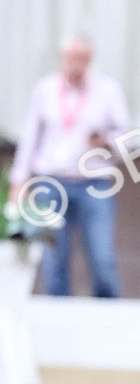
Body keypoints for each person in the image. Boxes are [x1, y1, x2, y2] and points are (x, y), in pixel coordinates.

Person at [9, 34, 130, 297]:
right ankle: (57, 327)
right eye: (72, 57)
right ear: (62, 58)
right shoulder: (45, 89)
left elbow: (127, 138)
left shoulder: (107, 90)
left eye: (83, 58)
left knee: (102, 258)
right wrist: (19, 181)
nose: (77, 63)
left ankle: (109, 320)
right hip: (52, 182)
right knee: (54, 261)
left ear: (90, 59)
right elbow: (31, 136)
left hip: (94, 183)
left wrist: (106, 141)